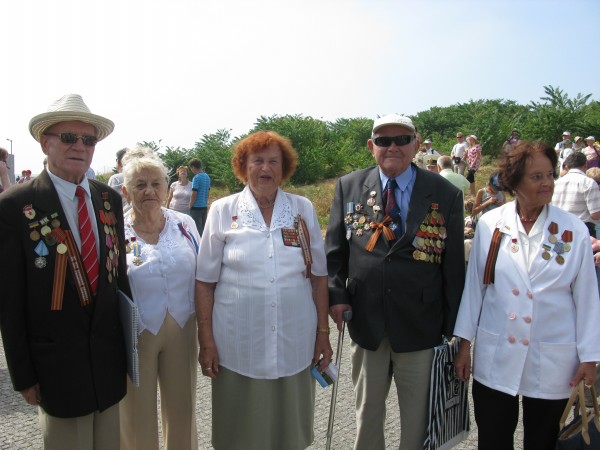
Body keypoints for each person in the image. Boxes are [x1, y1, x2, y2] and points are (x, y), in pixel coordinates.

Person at [326, 114, 465, 449]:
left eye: (402, 140)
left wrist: (455, 330)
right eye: (384, 140)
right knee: (367, 415)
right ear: (371, 146)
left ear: (416, 144)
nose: (393, 147)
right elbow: (334, 251)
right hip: (365, 321)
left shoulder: (444, 193)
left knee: (418, 422)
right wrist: (337, 295)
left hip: (421, 324)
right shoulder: (349, 186)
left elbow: (453, 268)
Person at [0, 93, 130, 449]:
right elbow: (9, 300)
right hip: (55, 366)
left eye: (88, 139)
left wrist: (128, 353)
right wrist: (23, 374)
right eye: (69, 137)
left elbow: (119, 280)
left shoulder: (109, 200)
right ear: (46, 142)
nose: (80, 146)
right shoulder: (15, 206)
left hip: (106, 365)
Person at [453, 140, 600, 450]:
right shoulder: (491, 224)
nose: (546, 183)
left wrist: (589, 356)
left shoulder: (573, 230)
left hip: (552, 357)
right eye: (536, 177)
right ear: (514, 180)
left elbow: (587, 297)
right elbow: (475, 288)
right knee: (493, 438)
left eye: (549, 175)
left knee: (543, 441)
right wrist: (464, 343)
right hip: (497, 353)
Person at [195, 130, 332, 450]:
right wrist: (205, 339)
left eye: (274, 161)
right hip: (237, 342)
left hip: (295, 339)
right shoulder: (221, 210)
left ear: (285, 168)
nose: (266, 168)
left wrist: (323, 333)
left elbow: (319, 276)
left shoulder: (302, 209)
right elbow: (204, 280)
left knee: (290, 432)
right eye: (257, 160)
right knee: (240, 432)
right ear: (243, 166)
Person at [119, 147, 200, 450]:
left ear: (168, 188)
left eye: (156, 183)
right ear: (126, 190)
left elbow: (204, 273)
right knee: (137, 415)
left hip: (182, 325)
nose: (149, 190)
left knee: (183, 408)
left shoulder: (184, 224)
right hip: (137, 332)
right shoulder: (115, 229)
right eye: (140, 184)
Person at [552, 152, 600, 238]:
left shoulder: (556, 183)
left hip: (558, 227)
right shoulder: (588, 183)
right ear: (585, 164)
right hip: (581, 228)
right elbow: (595, 214)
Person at [188, 158, 211, 236]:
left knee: (197, 230)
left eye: (191, 168)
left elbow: (194, 194)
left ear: (193, 167)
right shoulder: (207, 177)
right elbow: (208, 193)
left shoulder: (196, 178)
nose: (192, 170)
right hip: (204, 206)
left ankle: (200, 247)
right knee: (203, 227)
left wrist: (190, 206)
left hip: (196, 207)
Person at [108, 147, 130, 213]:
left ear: (119, 162)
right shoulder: (141, 176)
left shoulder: (115, 179)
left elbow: (110, 203)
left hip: (123, 218)